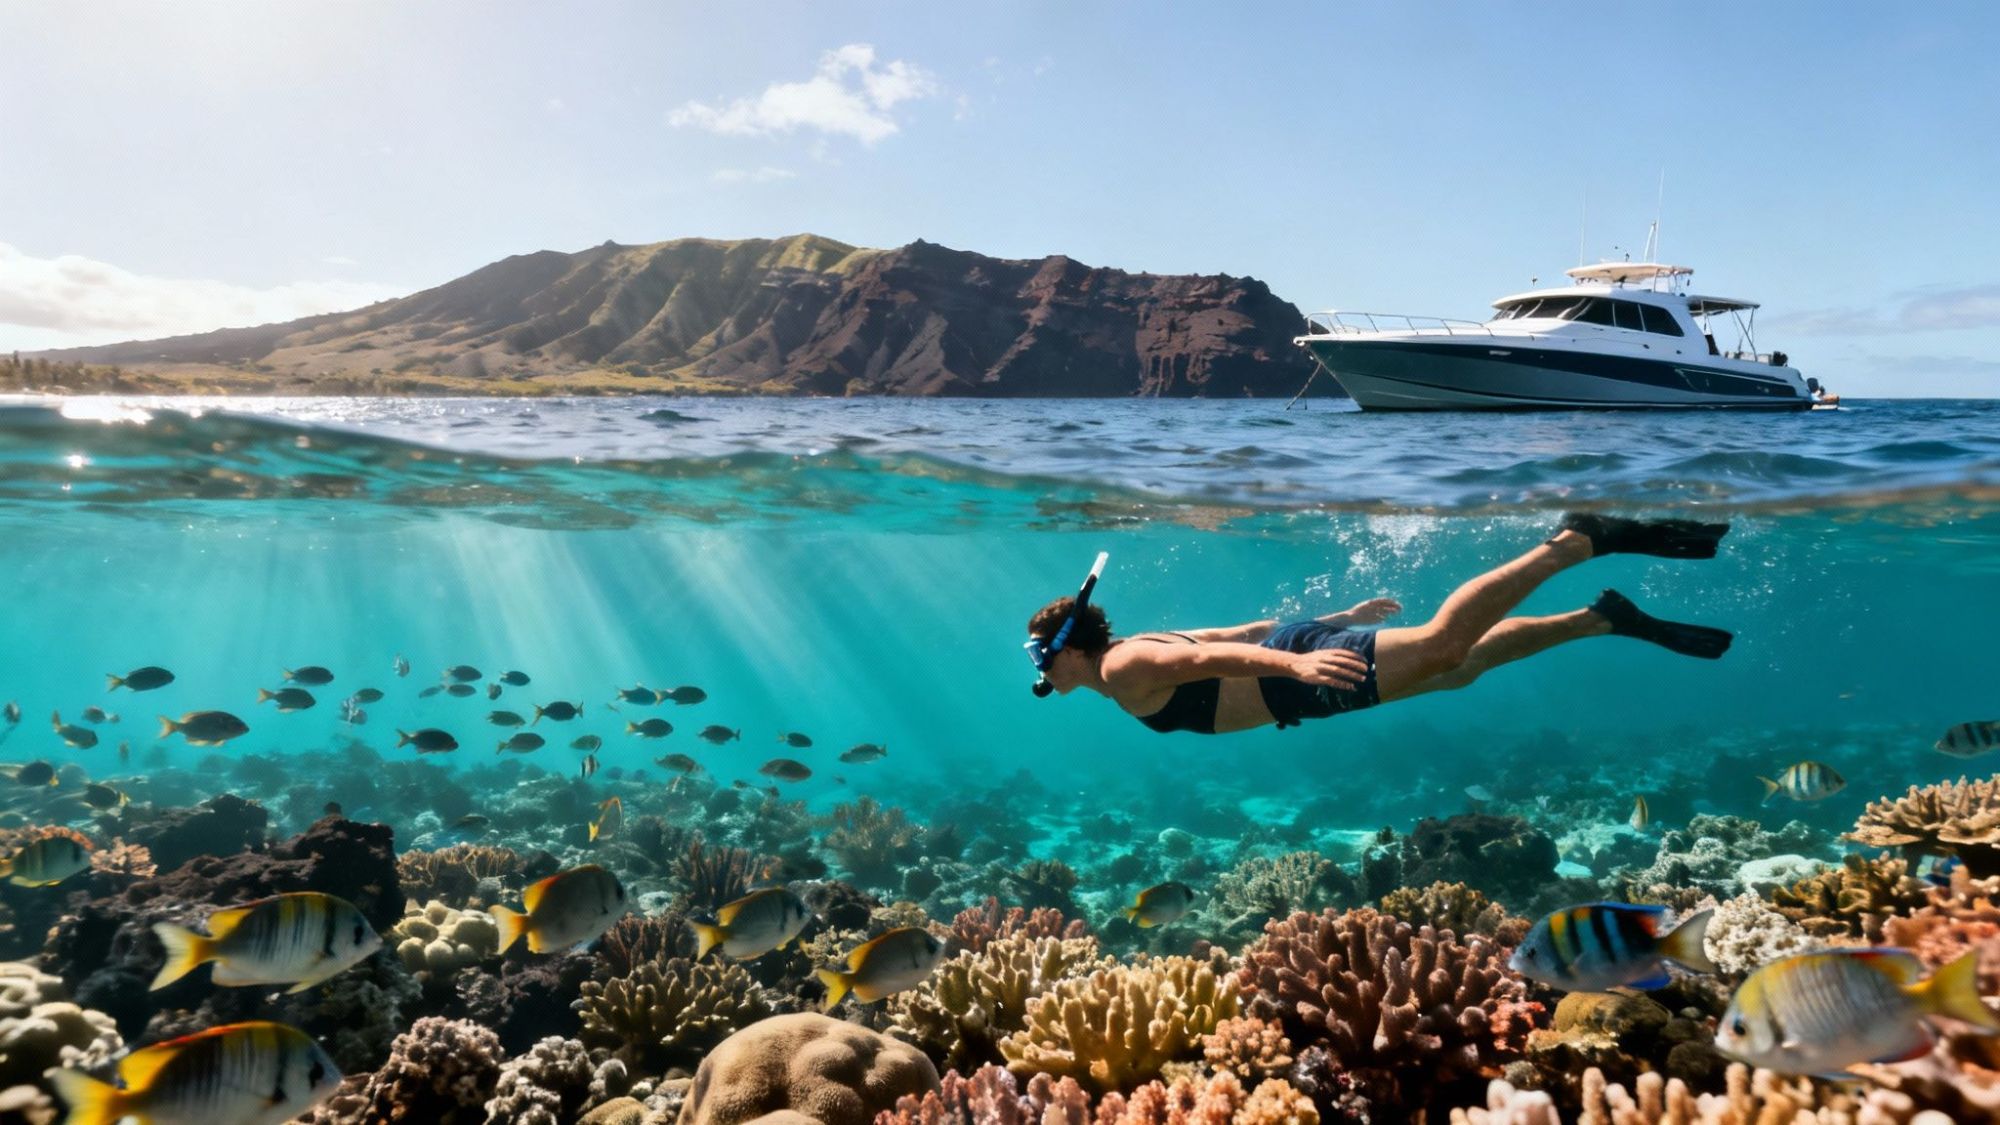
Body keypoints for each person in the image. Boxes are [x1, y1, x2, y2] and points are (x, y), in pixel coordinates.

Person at [1022, 514, 1735, 735]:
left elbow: (1217, 662)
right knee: (1458, 671)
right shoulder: (1136, 642)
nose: (1040, 674)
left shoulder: (1120, 672)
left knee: (1442, 645)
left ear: (1066, 650)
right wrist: (1332, 622)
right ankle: (1600, 619)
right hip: (1295, 671)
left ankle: (1578, 539)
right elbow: (1247, 628)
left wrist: (1297, 663)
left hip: (1295, 677)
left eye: (1039, 658)